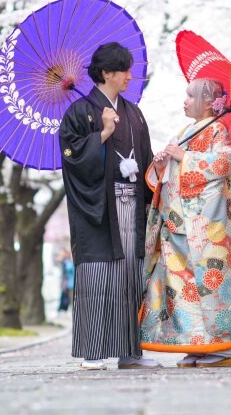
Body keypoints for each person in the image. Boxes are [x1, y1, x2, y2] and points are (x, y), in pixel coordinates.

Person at [141, 78, 231, 368]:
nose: (184, 101)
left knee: (211, 286)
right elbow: (174, 174)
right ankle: (197, 345)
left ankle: (221, 350)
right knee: (185, 291)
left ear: (210, 103)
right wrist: (162, 165)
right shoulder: (188, 130)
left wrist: (183, 157)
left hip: (205, 228)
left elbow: (227, 164)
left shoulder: (218, 129)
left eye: (190, 96)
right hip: (179, 224)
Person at [59, 42, 159, 371]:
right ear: (106, 73)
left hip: (131, 206)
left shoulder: (135, 113)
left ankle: (131, 353)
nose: (130, 76)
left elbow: (143, 159)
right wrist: (102, 133)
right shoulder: (78, 113)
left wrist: (153, 174)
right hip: (98, 211)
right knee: (98, 278)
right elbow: (72, 159)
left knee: (131, 279)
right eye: (124, 70)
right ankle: (93, 353)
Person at [57, 247, 75, 314]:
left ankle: (72, 311)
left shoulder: (69, 263)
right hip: (68, 284)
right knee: (68, 298)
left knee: (71, 299)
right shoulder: (67, 262)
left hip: (71, 284)